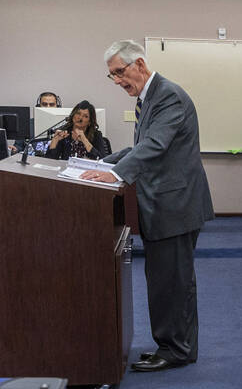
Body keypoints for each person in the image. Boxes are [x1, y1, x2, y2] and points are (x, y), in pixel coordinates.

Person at [81, 40, 215, 371]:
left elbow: (154, 145)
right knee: (165, 279)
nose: (117, 81)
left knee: (173, 280)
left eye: (120, 72)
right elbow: (137, 148)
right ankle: (174, 344)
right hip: (165, 203)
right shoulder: (149, 98)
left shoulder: (167, 95)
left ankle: (176, 349)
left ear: (139, 64)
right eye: (111, 75)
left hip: (175, 205)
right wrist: (100, 166)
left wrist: (113, 177)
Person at [45, 100, 112, 160]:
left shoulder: (96, 135)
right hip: (67, 170)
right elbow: (50, 161)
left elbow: (101, 160)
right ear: (73, 115)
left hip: (88, 171)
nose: (80, 118)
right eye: (78, 113)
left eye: (85, 116)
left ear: (89, 122)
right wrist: (54, 140)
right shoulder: (64, 132)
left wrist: (84, 140)